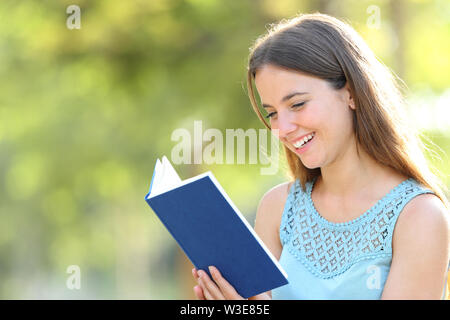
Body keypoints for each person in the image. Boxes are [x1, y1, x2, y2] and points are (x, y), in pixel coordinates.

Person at [191, 12, 450, 300]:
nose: (283, 128)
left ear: (351, 92)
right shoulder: (277, 207)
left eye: (298, 104)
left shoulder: (420, 216)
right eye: (273, 113)